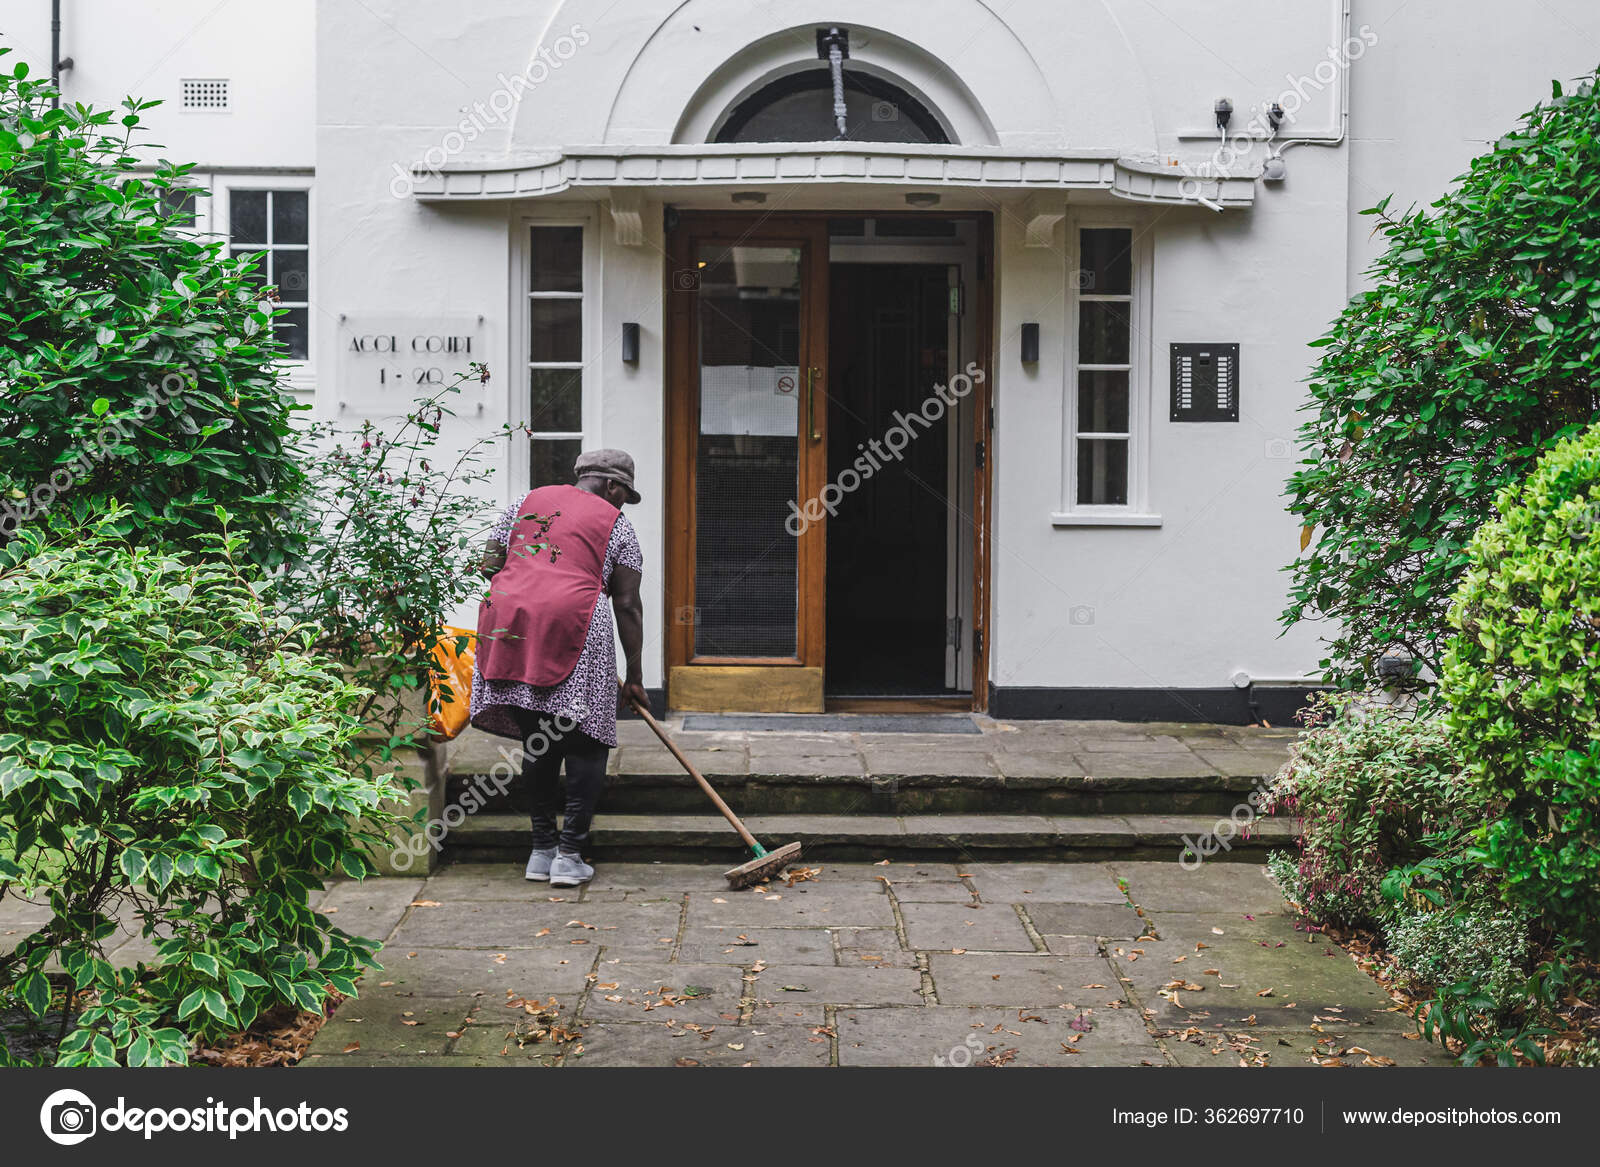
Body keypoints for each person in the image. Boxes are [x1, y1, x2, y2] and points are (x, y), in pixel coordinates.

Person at [470, 449, 648, 888]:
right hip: (575, 624)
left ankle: (541, 850)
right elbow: (626, 603)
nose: (623, 502)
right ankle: (569, 855)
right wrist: (637, 676)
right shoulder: (616, 524)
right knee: (587, 742)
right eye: (625, 493)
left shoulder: (523, 502)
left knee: (539, 740)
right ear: (612, 485)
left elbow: (489, 564)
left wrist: (528, 588)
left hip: (508, 621)